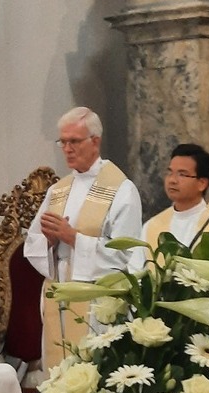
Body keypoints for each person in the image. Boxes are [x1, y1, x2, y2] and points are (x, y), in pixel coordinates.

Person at [24, 106, 142, 370]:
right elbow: (33, 242)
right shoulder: (58, 190)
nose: (67, 149)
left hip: (96, 298)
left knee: (90, 371)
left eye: (74, 141)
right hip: (59, 289)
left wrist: (74, 238)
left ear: (95, 142)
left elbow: (125, 255)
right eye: (63, 142)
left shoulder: (121, 189)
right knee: (59, 370)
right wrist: (49, 242)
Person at [131, 143, 209, 267]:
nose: (172, 180)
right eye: (170, 172)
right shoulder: (151, 227)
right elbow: (135, 270)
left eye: (182, 174)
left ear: (202, 183)